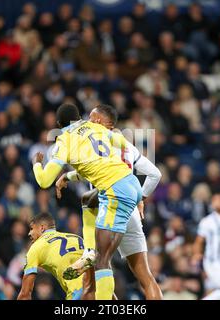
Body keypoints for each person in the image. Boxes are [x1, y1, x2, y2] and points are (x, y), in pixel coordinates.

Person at [32, 103, 142, 300]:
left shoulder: (64, 141)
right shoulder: (94, 126)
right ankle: (88, 252)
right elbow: (122, 143)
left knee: (102, 260)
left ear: (58, 124)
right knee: (88, 202)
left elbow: (44, 181)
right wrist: (69, 177)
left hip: (115, 192)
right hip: (131, 183)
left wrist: (37, 165)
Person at [55, 104, 163, 300]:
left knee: (95, 277)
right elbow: (155, 174)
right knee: (146, 279)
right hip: (130, 208)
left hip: (108, 206)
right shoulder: (126, 145)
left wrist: (66, 176)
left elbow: (89, 169)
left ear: (97, 120)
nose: (87, 120)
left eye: (91, 117)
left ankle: (88, 253)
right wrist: (141, 199)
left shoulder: (89, 140)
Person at [17, 213, 91, 300]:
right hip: (101, 283)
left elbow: (25, 294)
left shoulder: (35, 247)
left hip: (79, 292)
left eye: (32, 229)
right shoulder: (76, 237)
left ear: (42, 228)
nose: (29, 233)